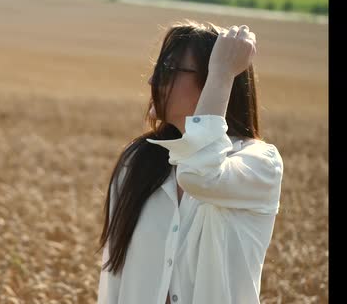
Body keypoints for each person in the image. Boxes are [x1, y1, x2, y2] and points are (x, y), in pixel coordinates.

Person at [95, 20, 284, 304]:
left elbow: (200, 175)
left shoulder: (259, 165)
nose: (153, 80)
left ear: (212, 81)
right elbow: (113, 280)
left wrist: (222, 73)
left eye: (169, 70)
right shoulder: (138, 161)